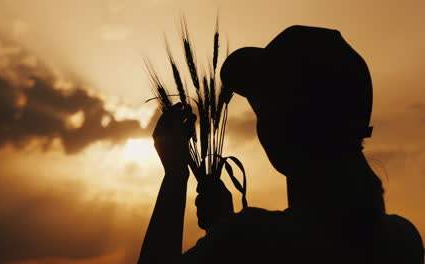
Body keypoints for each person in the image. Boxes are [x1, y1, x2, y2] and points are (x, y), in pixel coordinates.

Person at [137, 25, 424, 264]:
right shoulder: (405, 241)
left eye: (262, 108)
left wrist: (176, 175)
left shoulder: (247, 241)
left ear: (279, 130)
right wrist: (221, 224)